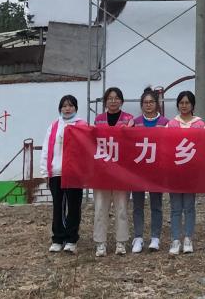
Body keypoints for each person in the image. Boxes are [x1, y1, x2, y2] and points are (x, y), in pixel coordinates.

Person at [40, 94, 88, 253]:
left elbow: (87, 148)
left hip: (74, 173)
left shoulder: (82, 125)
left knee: (73, 206)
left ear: (76, 108)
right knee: (58, 206)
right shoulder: (54, 125)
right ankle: (58, 238)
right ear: (60, 108)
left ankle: (71, 239)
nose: (67, 109)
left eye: (71, 105)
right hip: (56, 172)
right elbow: (47, 148)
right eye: (64, 106)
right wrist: (45, 170)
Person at [93, 87, 135, 257]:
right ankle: (100, 243)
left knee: (121, 208)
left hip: (121, 172)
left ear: (121, 101)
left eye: (116, 98)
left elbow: (132, 143)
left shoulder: (129, 119)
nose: (113, 101)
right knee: (100, 208)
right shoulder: (98, 120)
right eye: (110, 98)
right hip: (101, 172)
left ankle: (121, 242)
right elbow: (92, 142)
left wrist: (130, 129)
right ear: (105, 101)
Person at [166, 90, 205, 254]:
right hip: (175, 172)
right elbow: (166, 147)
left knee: (189, 206)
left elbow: (204, 146)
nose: (184, 106)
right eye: (181, 103)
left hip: (191, 172)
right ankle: (175, 239)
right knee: (175, 208)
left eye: (187, 103)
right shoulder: (171, 124)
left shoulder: (200, 124)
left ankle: (188, 238)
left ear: (192, 105)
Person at [131, 88, 169, 253]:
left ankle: (155, 237)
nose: (148, 105)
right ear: (141, 105)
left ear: (157, 104)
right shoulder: (135, 122)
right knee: (137, 205)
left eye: (151, 102)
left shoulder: (165, 123)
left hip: (157, 170)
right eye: (145, 102)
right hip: (138, 170)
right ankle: (138, 237)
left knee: (156, 205)